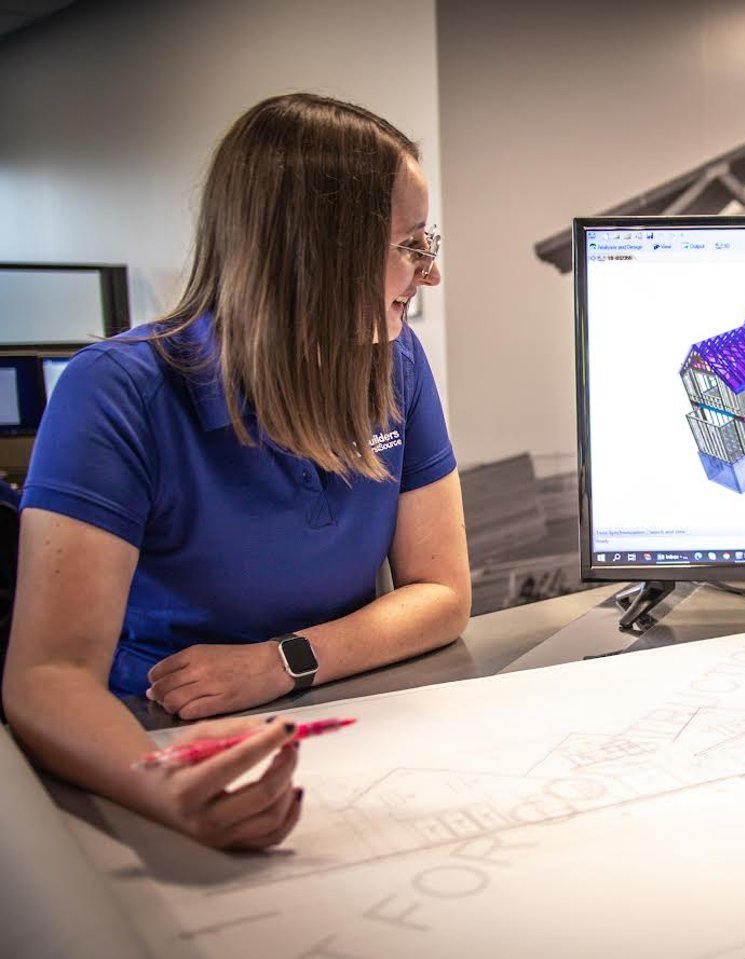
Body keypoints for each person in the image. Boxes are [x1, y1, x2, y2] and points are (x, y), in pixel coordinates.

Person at [1, 93, 471, 851]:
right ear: (316, 249)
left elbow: (443, 594)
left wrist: (283, 663)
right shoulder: (118, 392)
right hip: (161, 741)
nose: (431, 272)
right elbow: (47, 676)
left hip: (344, 723)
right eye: (412, 243)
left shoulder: (397, 363)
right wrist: (168, 786)